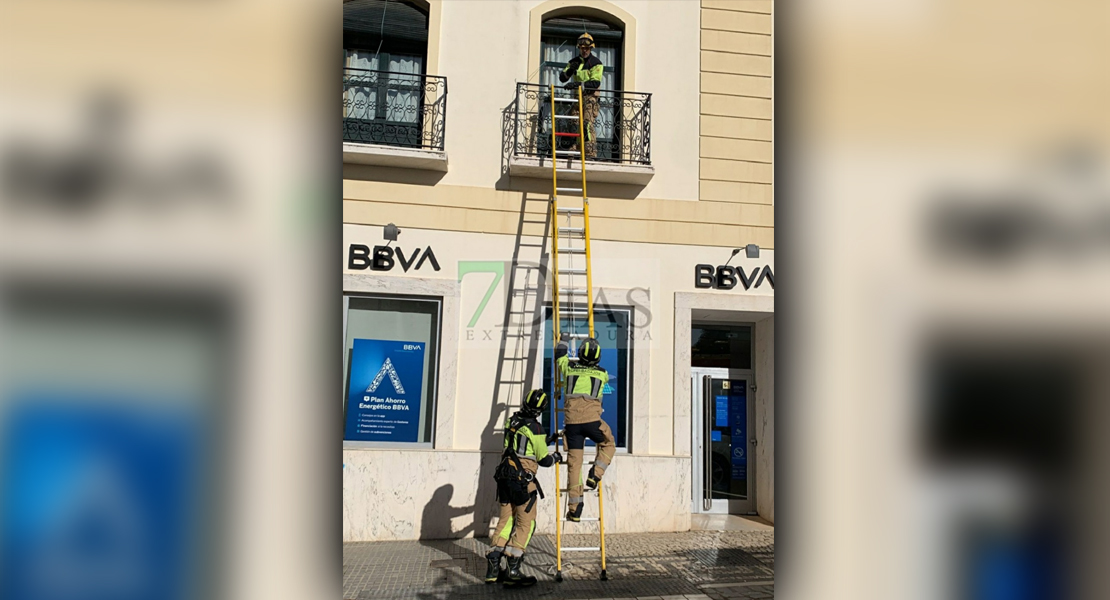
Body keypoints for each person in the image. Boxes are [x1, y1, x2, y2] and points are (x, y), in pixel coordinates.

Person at [485, 389, 562, 587]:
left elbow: (521, 444)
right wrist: (556, 457)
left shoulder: (512, 421)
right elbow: (544, 460)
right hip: (522, 482)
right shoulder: (536, 428)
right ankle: (513, 571)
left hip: (504, 478)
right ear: (542, 409)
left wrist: (548, 440)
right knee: (526, 524)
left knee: (505, 521)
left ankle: (493, 569)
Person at [554, 333, 615, 522]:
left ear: (579, 354)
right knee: (608, 444)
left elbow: (560, 355)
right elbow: (600, 378)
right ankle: (595, 474)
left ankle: (575, 508)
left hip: (572, 425)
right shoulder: (602, 374)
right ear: (598, 358)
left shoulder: (569, 370)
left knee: (574, 465)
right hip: (592, 423)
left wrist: (564, 338)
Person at [558, 32, 603, 159]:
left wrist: (577, 84)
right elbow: (562, 78)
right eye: (582, 48)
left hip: (590, 98)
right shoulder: (574, 61)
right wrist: (571, 69)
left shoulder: (596, 63)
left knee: (587, 124)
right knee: (573, 122)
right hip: (577, 98)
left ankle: (590, 152)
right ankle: (574, 150)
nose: (584, 51)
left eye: (587, 48)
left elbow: (595, 83)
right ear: (579, 48)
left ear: (591, 48)